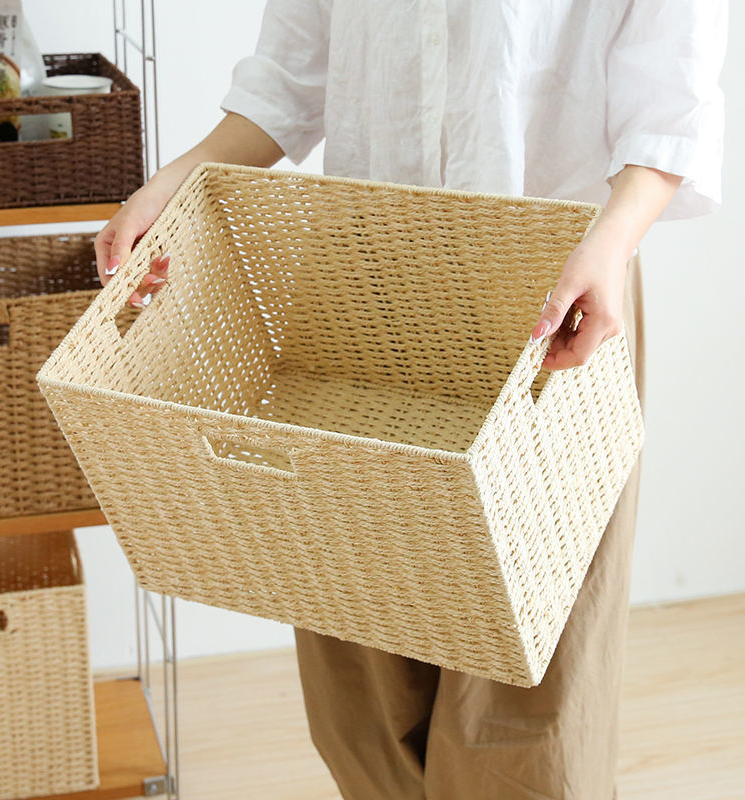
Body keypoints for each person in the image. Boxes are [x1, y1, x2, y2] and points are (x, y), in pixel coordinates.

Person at [94, 2, 727, 798]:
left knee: (522, 701)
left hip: (554, 300)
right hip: (362, 273)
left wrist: (612, 242)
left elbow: (668, 99)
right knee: (360, 672)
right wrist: (176, 180)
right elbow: (291, 72)